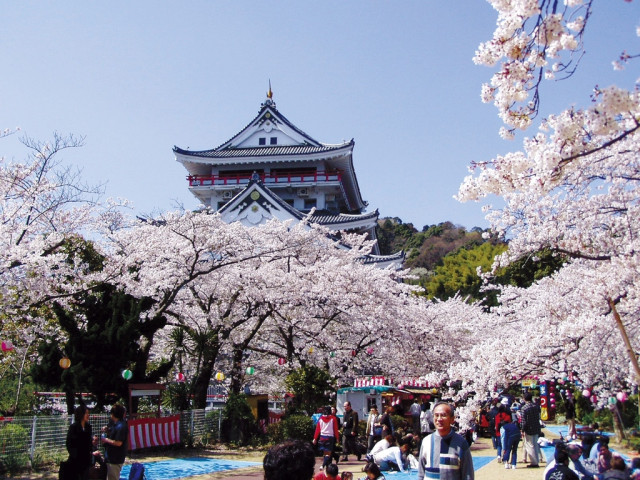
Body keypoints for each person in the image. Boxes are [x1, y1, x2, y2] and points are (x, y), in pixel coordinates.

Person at [417, 401, 474, 480]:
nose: (439, 419)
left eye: (443, 415)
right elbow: (421, 473)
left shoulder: (461, 443)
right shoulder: (426, 442)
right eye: (436, 415)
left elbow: (468, 475)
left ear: (452, 419)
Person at [66, 405, 97, 480]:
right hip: (76, 460)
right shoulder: (74, 427)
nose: (88, 415)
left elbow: (88, 443)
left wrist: (92, 443)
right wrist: (75, 455)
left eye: (88, 413)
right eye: (86, 413)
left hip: (86, 460)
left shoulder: (88, 427)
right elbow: (69, 444)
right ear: (81, 414)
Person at [101, 404, 128, 480]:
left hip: (115, 459)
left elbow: (118, 443)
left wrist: (105, 440)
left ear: (113, 414)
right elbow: (111, 430)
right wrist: (107, 429)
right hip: (109, 457)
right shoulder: (114, 423)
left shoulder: (121, 426)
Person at [521, 392, 542, 468]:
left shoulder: (524, 408)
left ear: (524, 398)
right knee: (535, 444)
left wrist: (522, 430)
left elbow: (523, 421)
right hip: (536, 427)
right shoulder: (536, 406)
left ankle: (534, 462)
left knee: (530, 445)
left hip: (528, 428)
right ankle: (537, 460)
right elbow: (539, 417)